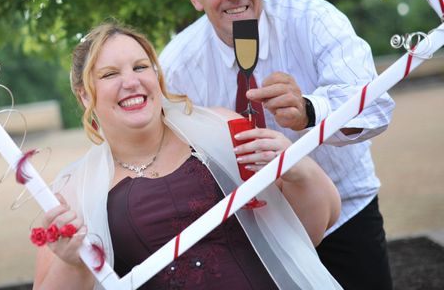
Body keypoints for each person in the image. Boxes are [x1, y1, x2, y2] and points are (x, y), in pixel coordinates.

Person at [159, 0, 396, 290]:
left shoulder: (313, 19)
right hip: (253, 233)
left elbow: (376, 105)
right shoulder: (177, 66)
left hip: (345, 211)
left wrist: (310, 111)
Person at [33, 22, 341, 289]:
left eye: (141, 67)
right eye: (110, 74)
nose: (131, 82)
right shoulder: (73, 192)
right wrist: (72, 262)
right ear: (85, 94)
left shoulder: (222, 129)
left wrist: (297, 168)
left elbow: (311, 231)